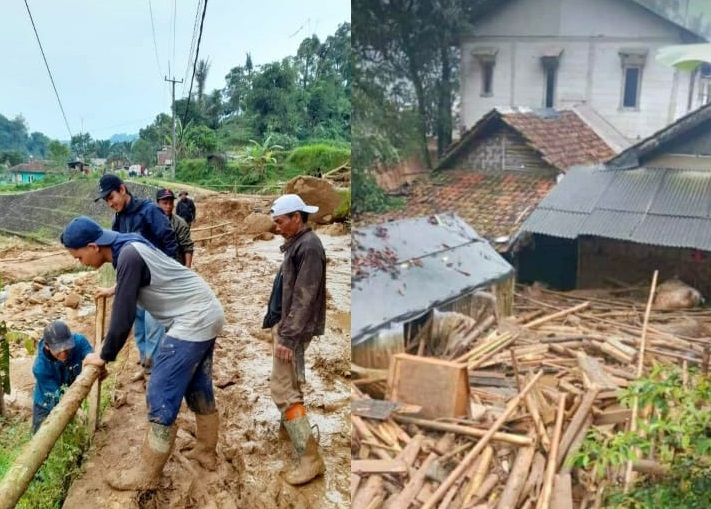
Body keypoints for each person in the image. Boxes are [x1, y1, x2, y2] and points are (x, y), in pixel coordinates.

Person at [60, 216, 225, 490]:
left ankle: (147, 476)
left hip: (193, 318)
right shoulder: (127, 244)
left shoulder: (128, 257)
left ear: (93, 246)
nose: (80, 263)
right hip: (206, 310)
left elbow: (122, 319)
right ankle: (206, 451)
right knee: (197, 385)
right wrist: (117, 287)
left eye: (78, 257)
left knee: (159, 390)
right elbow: (150, 270)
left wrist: (103, 355)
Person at [262, 193, 326, 485]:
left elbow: (304, 297)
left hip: (293, 330)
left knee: (284, 389)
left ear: (297, 218)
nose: (277, 227)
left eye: (280, 222)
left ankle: (310, 458)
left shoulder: (309, 247)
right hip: (288, 326)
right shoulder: (298, 244)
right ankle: (288, 436)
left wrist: (286, 338)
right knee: (288, 383)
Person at [94, 174, 178, 379]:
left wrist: (163, 274)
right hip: (134, 285)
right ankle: (146, 366)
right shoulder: (118, 219)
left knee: (153, 329)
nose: (110, 203)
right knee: (139, 329)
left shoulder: (149, 211)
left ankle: (156, 374)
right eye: (106, 200)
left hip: (154, 285)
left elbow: (169, 242)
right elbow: (116, 251)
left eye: (111, 197)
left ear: (122, 190)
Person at [32, 321, 96, 433]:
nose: (64, 353)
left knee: (74, 432)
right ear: (47, 346)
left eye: (67, 347)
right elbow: (58, 396)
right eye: (58, 349)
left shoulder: (79, 341)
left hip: (71, 390)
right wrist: (76, 410)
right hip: (46, 401)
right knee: (40, 434)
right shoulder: (40, 368)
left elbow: (90, 356)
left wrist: (95, 364)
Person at [156, 188, 194, 268]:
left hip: (176, 265)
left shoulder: (180, 223)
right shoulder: (149, 222)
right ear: (158, 204)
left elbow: (187, 247)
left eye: (171, 203)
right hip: (156, 265)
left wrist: (187, 269)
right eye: (165, 203)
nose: (168, 206)